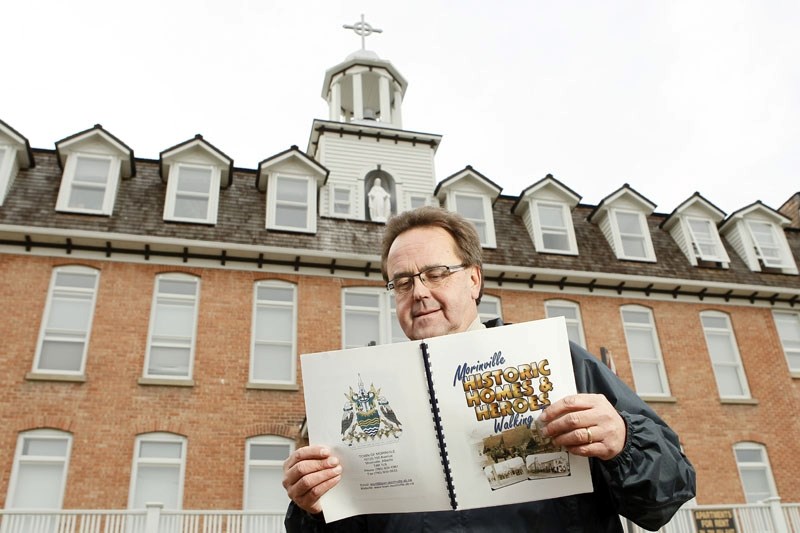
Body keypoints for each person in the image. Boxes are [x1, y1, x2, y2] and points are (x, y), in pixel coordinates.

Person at [283, 206, 696, 532]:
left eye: (436, 273)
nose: (420, 292)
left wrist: (623, 440)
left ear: (475, 280)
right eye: (403, 282)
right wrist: (312, 509)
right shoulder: (363, 391)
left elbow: (666, 494)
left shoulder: (558, 361)